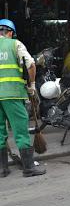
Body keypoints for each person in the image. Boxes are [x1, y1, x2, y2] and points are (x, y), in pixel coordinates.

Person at [0, 19, 46, 177]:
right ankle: (28, 168)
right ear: (11, 32)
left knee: (0, 133)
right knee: (20, 131)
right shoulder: (15, 44)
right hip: (13, 94)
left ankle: (2, 169)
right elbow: (31, 65)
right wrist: (32, 85)